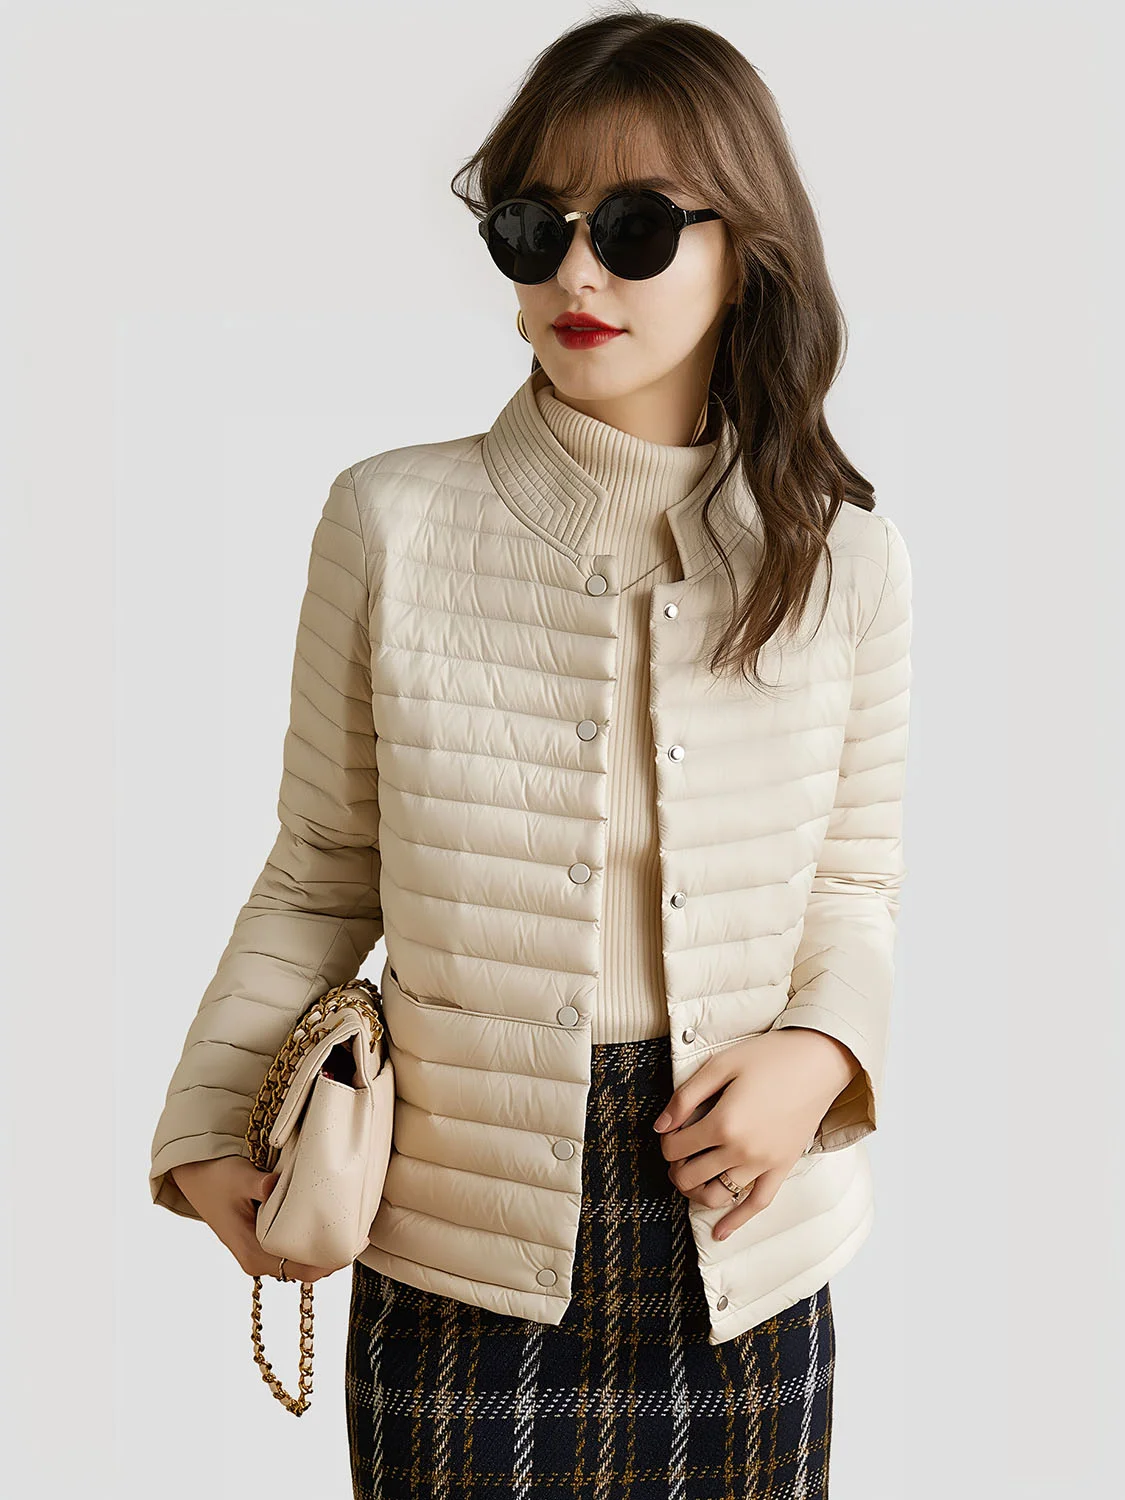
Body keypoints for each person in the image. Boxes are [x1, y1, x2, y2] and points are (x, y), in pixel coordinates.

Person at [150, 9, 913, 1497]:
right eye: (531, 227)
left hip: (742, 1244)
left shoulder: (847, 562)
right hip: (460, 1237)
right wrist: (207, 1119)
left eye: (634, 227)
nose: (576, 273)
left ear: (745, 249)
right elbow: (322, 870)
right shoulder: (389, 521)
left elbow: (856, 889)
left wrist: (823, 1058)